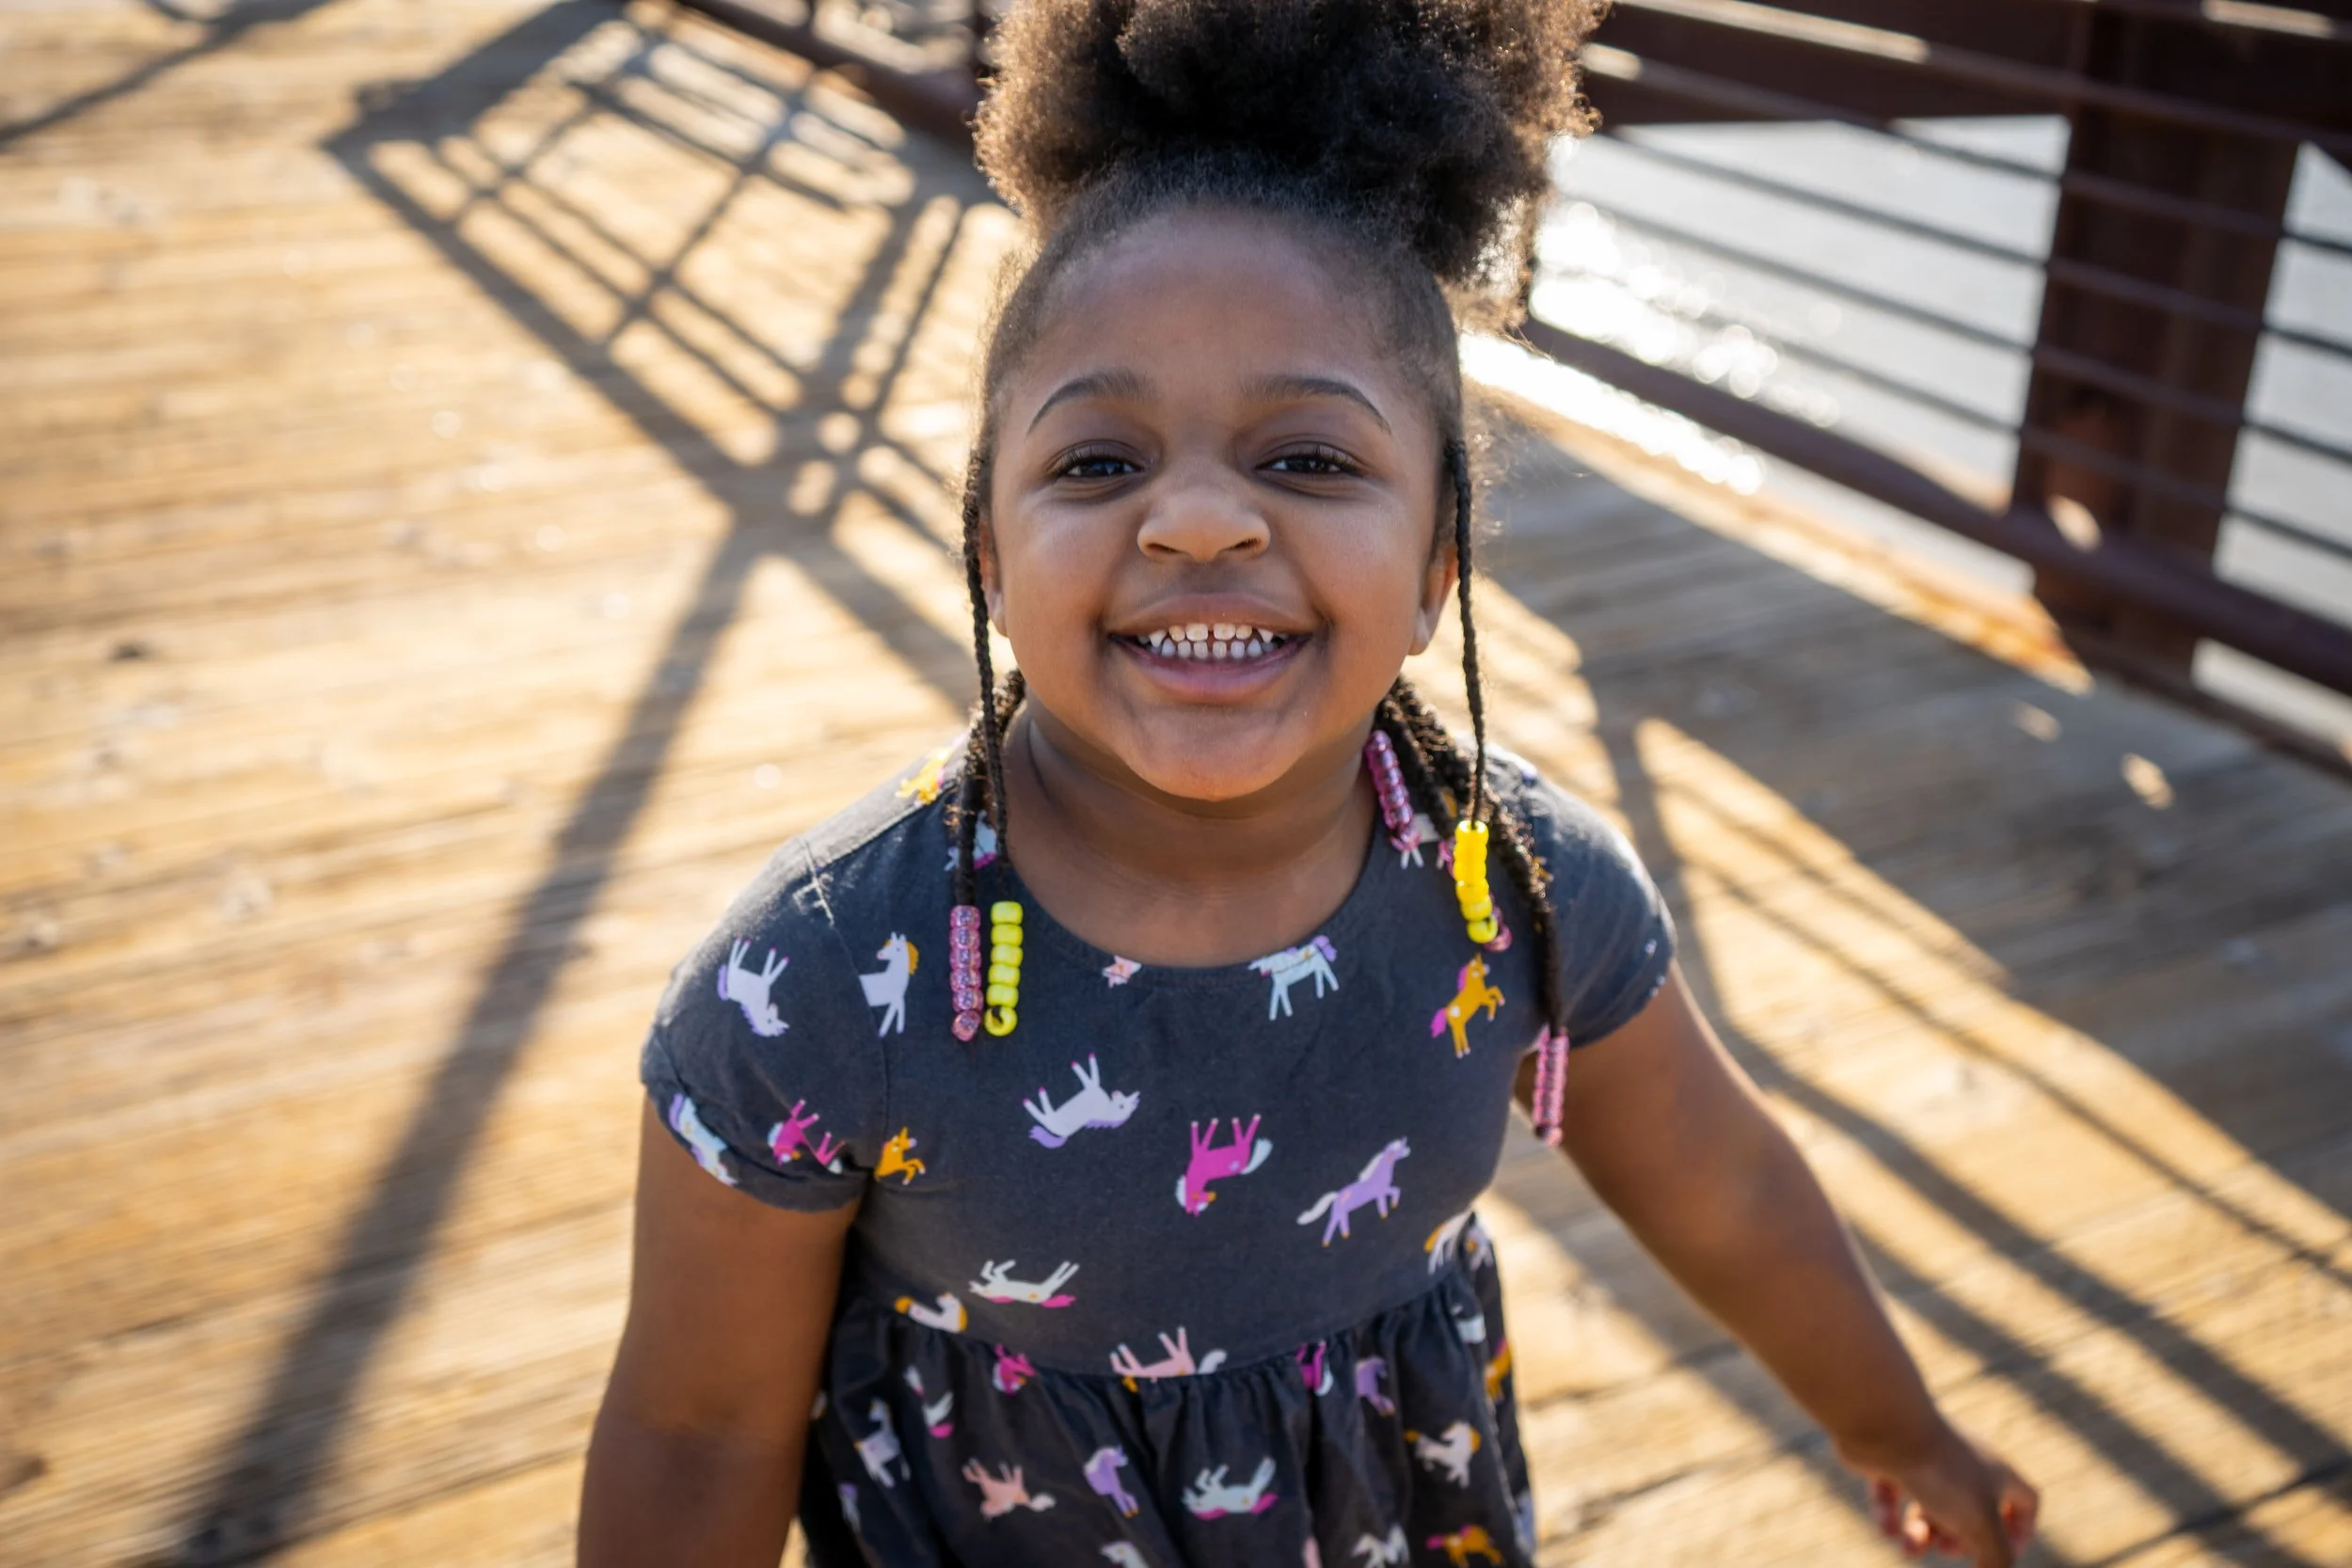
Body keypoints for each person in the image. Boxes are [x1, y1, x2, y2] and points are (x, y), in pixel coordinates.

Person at [578, 2, 2040, 1563]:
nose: (1198, 519)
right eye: (1095, 462)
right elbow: (694, 1428)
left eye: (1309, 460)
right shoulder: (810, 990)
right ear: (990, 553)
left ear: (1437, 568)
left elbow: (1724, 1181)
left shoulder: (1518, 889)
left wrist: (1898, 1425)